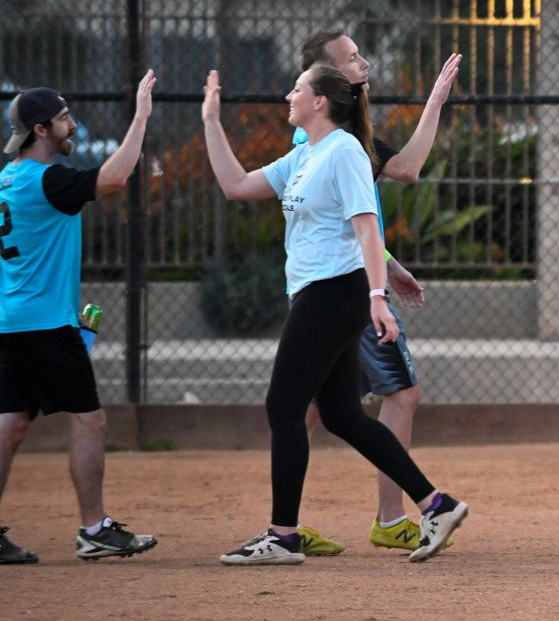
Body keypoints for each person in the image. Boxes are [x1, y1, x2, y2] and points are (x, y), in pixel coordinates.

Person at [203, 64, 468, 565]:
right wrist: (211, 120)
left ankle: (282, 537)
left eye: (297, 89)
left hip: (335, 291)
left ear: (320, 101)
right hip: (317, 291)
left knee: (283, 406)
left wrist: (375, 296)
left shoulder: (345, 150)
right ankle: (438, 504)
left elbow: (367, 227)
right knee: (344, 415)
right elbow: (236, 185)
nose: (289, 95)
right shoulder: (306, 154)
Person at [289, 29, 462, 557]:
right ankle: (387, 519)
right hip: (347, 288)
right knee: (397, 395)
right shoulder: (326, 141)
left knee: (316, 404)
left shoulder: (348, 136)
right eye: (352, 58)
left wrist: (390, 265)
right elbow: (347, 222)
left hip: (348, 282)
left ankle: (283, 524)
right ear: (330, 78)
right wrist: (379, 282)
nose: (364, 62)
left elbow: (401, 172)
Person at [0, 75, 161, 564]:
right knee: (90, 420)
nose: (73, 125)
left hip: (10, 320)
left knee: (9, 424)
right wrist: (141, 117)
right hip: (45, 324)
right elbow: (112, 178)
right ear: (42, 128)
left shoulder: (8, 178)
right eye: (66, 119)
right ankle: (94, 528)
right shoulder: (45, 180)